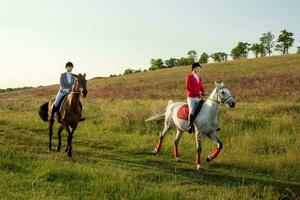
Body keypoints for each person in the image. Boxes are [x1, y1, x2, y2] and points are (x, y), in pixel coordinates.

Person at [186, 62, 205, 133]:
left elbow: (201, 87)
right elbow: (188, 88)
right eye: (197, 68)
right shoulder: (189, 77)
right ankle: (190, 126)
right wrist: (197, 92)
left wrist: (203, 92)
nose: (199, 69)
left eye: (199, 68)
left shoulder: (200, 78)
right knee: (192, 109)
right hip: (191, 97)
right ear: (193, 68)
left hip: (198, 97)